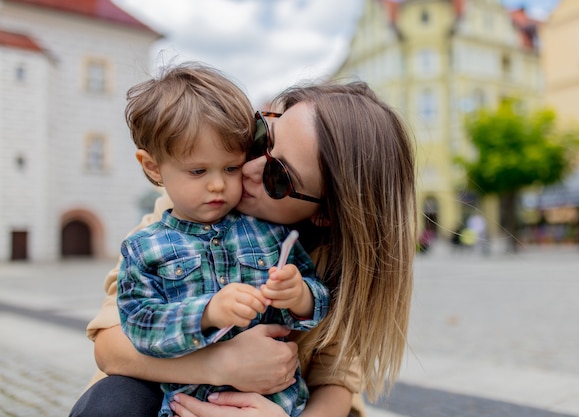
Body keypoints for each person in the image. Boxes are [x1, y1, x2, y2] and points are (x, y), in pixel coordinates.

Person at [70, 76, 418, 417]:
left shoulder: (333, 261)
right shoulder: (182, 217)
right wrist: (221, 365)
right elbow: (112, 347)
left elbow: (337, 379)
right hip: (165, 391)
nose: (248, 168)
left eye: (278, 176)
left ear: (327, 214)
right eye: (262, 139)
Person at [114, 63, 329, 417]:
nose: (218, 185)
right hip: (191, 406)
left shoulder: (266, 231)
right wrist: (207, 313)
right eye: (199, 171)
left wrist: (301, 295)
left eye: (230, 168)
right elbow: (138, 325)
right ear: (153, 168)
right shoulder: (145, 247)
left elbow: (320, 299)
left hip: (278, 405)